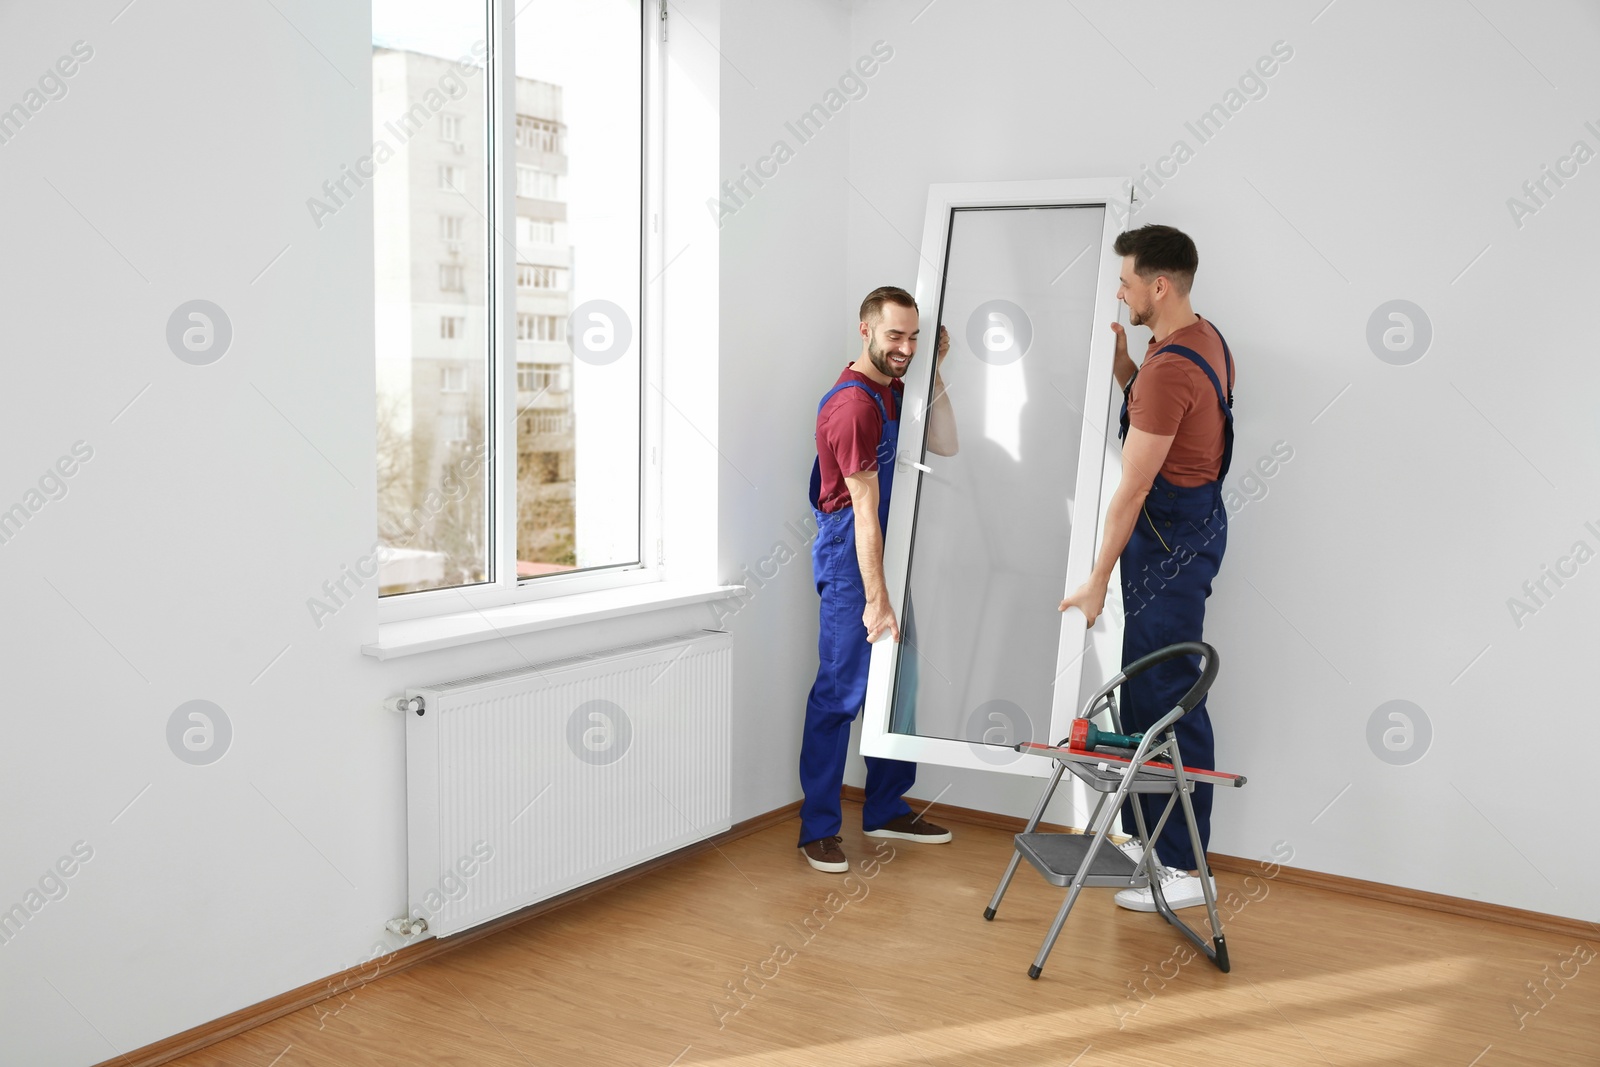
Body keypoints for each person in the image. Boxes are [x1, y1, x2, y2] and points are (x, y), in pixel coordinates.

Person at [1059, 225, 1236, 911]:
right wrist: (1126, 371)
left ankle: (1186, 869)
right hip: (1190, 528)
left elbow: (1131, 489)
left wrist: (1098, 577)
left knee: (1167, 693)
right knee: (1142, 690)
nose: (1120, 291)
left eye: (1127, 282)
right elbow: (1175, 419)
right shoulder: (1200, 339)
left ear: (1158, 285)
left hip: (1169, 544)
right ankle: (1147, 839)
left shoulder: (1169, 371)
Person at [797, 286, 959, 873]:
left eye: (914, 336)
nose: (906, 347)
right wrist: (876, 598)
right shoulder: (854, 407)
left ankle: (886, 806)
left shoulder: (892, 392)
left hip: (887, 552)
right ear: (865, 329)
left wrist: (934, 369)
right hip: (852, 558)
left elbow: (946, 442)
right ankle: (818, 827)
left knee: (898, 684)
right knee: (840, 693)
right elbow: (863, 511)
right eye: (895, 335)